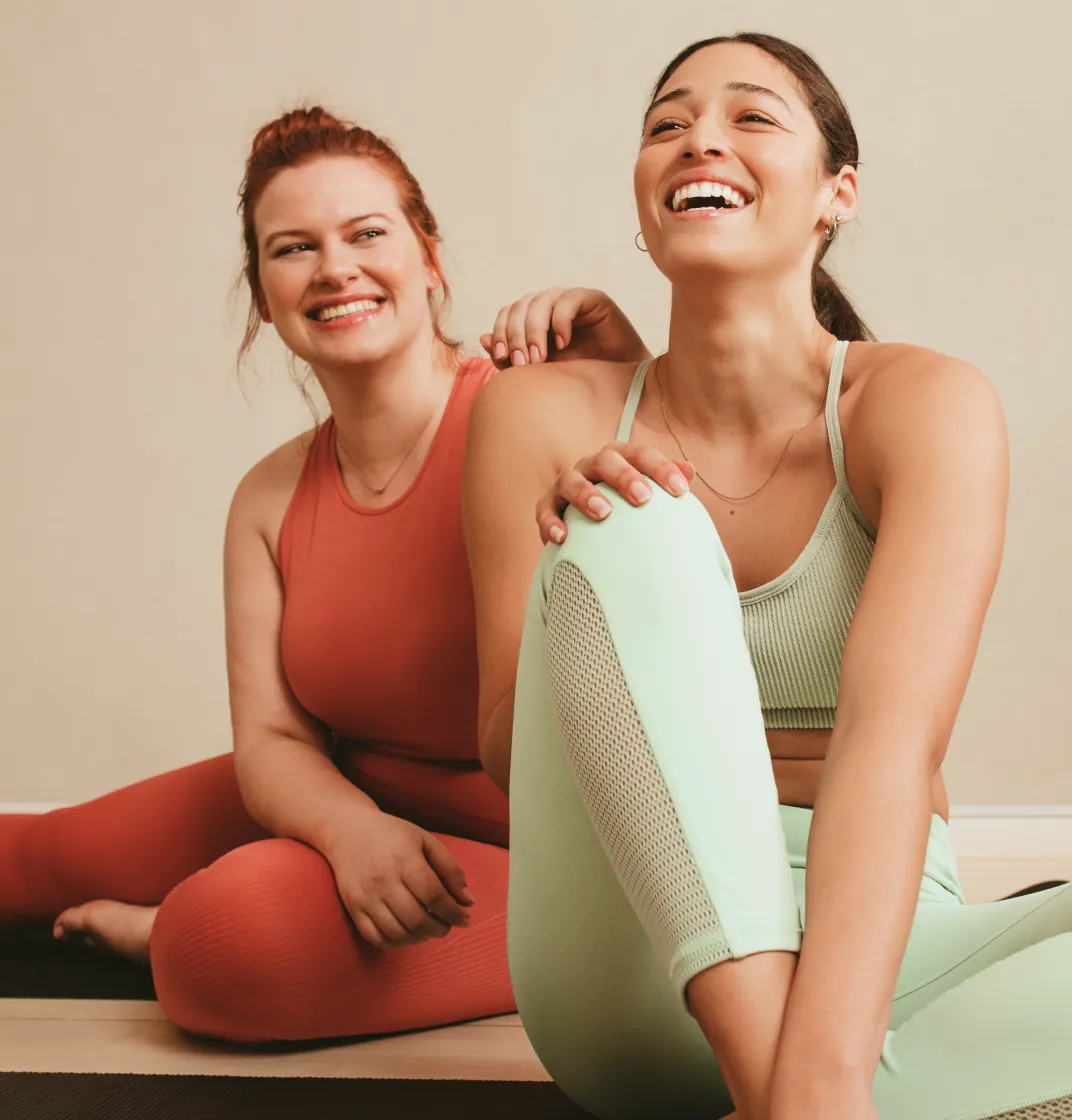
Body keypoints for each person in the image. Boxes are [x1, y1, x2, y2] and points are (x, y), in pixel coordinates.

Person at [465, 32, 1072, 1120]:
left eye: (750, 117)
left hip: (873, 957)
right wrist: (599, 538)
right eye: (666, 124)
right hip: (628, 951)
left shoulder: (921, 404)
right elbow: (515, 746)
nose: (700, 137)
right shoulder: (537, 412)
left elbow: (890, 747)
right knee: (632, 513)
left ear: (837, 192)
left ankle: (823, 1091)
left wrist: (826, 1064)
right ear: (644, 202)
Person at [0, 106, 644, 1043]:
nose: (334, 267)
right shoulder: (267, 497)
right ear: (263, 295)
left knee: (223, 944)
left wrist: (624, 368)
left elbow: (706, 504)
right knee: (27, 853)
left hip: (553, 857)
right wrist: (350, 833)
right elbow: (270, 741)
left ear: (430, 257)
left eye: (367, 233)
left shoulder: (533, 408)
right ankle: (205, 898)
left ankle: (163, 929)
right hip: (348, 793)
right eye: (293, 248)